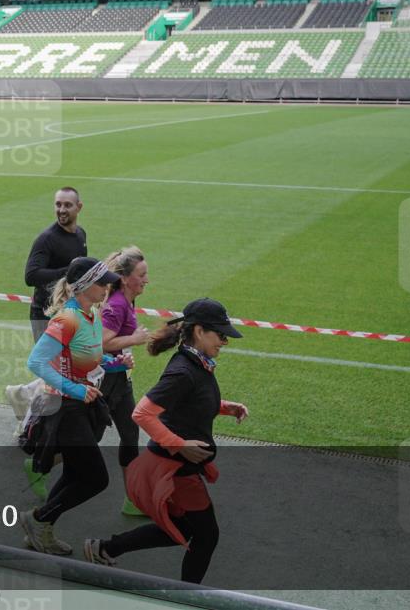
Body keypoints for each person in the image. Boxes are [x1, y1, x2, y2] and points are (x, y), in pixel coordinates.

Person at [82, 298, 249, 585]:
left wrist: (224, 406)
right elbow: (142, 413)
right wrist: (179, 444)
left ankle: (104, 548)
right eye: (220, 334)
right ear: (199, 331)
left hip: (178, 465)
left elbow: (189, 402)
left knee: (182, 529)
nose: (224, 341)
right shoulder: (183, 370)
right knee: (207, 536)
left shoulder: (197, 363)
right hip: (177, 470)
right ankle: (186, 597)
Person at [19, 257, 131, 555]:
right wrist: (74, 389)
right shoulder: (67, 319)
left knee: (74, 474)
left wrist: (115, 363)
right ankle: (38, 519)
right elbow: (36, 361)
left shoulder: (90, 315)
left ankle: (41, 528)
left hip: (80, 406)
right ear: (83, 286)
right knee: (95, 478)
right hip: (65, 409)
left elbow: (88, 357)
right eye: (103, 281)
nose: (108, 286)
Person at [7, 187, 88, 434]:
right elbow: (31, 276)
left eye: (67, 205)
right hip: (44, 314)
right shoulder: (47, 239)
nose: (61, 210)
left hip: (67, 314)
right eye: (58, 204)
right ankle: (28, 427)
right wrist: (69, 270)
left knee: (61, 369)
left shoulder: (80, 235)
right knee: (52, 371)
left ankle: (21, 394)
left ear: (79, 207)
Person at [101, 246, 151, 516]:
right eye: (141, 275)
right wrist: (133, 340)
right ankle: (40, 465)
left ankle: (132, 499)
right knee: (89, 439)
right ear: (125, 278)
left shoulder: (128, 300)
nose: (146, 280)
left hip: (121, 378)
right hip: (107, 381)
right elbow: (102, 343)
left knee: (130, 434)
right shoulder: (117, 305)